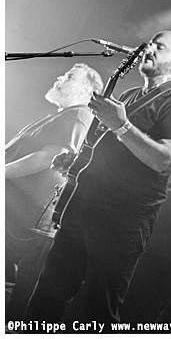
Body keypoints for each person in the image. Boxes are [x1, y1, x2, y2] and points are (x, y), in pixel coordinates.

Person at [25, 30, 171, 329]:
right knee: (47, 296)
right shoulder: (130, 95)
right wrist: (77, 161)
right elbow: (109, 150)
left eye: (159, 47)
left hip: (123, 219)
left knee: (99, 310)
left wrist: (121, 125)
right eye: (149, 44)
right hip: (83, 208)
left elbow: (163, 159)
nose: (148, 49)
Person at [5, 64, 103, 315]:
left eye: (70, 76)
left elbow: (51, 156)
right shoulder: (64, 115)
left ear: (87, 90)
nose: (60, 77)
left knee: (12, 282)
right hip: (18, 211)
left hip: (27, 215)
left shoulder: (80, 114)